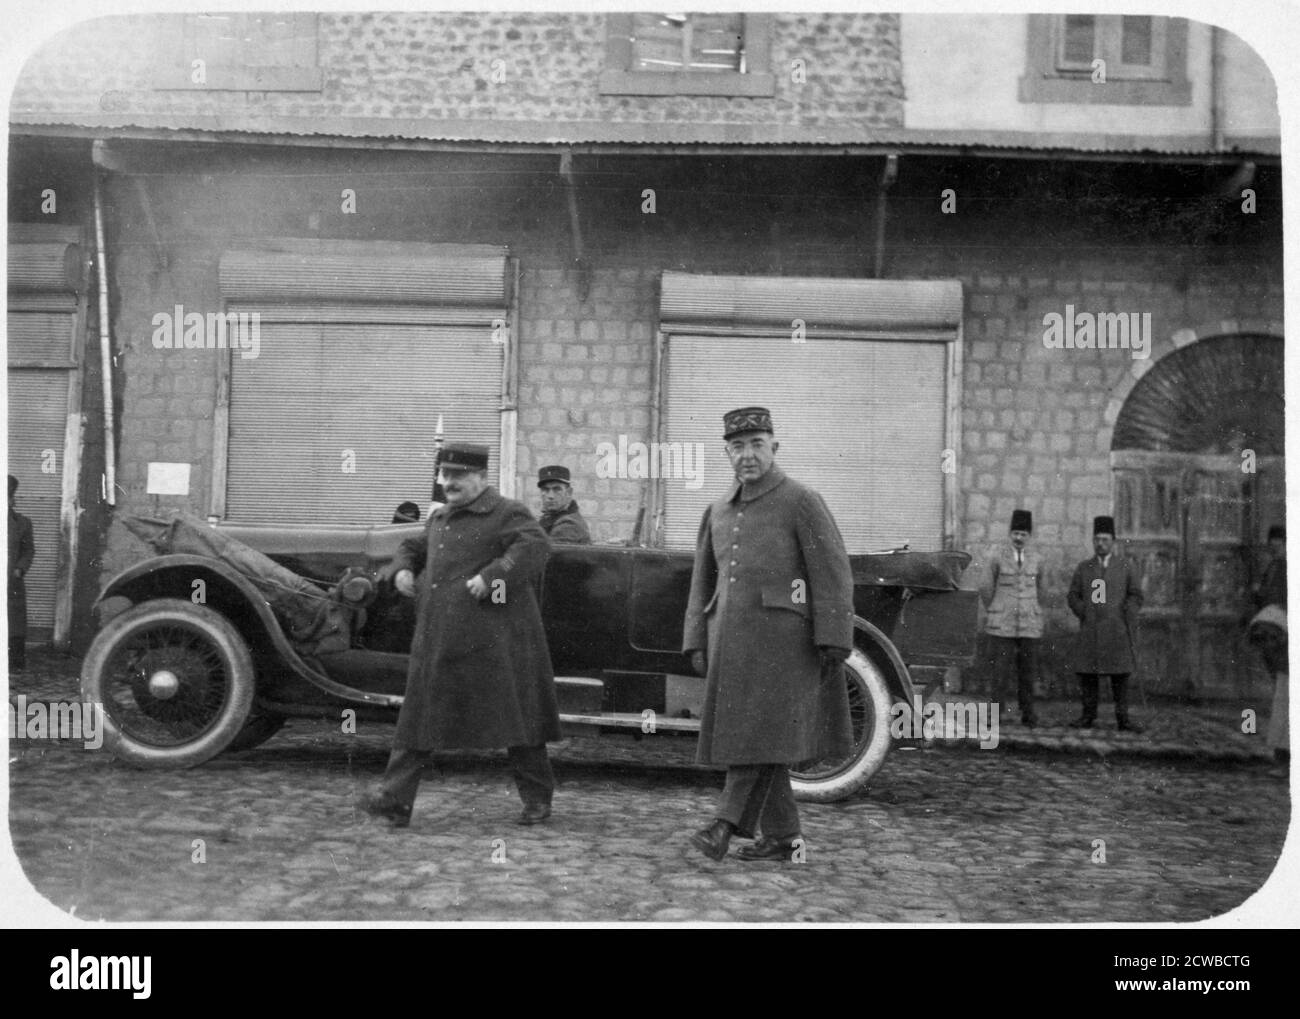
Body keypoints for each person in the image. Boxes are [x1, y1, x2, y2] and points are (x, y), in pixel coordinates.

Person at [357, 442, 561, 828]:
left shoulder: (507, 512)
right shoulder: (440, 519)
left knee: (517, 720)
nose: (449, 483)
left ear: (482, 478)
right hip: (441, 639)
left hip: (493, 641)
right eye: (445, 476)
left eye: (459, 476)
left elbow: (536, 545)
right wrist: (402, 568)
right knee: (418, 716)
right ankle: (394, 800)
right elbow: (411, 546)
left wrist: (492, 577)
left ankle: (538, 799)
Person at [682, 406, 854, 863]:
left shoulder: (801, 501)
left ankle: (723, 825)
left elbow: (832, 572)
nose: (747, 455)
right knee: (763, 738)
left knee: (756, 734)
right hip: (731, 647)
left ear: (774, 447)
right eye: (737, 447)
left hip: (786, 648)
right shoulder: (716, 510)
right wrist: (696, 638)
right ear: (727, 453)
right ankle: (783, 838)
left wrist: (834, 635)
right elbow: (704, 580)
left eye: (756, 444)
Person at [1066, 515, 1144, 733]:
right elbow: (1072, 595)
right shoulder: (1084, 568)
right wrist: (1083, 612)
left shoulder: (1126, 566)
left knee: (1120, 676)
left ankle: (1123, 719)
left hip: (1117, 629)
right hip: (1091, 629)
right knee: (1088, 675)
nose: (1100, 543)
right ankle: (1087, 716)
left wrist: (1129, 609)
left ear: (1113, 542)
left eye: (1105, 539)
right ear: (1093, 541)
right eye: (1097, 539)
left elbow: (1136, 595)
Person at [983, 509, 1043, 726]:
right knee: (1000, 672)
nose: (1019, 538)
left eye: (1023, 534)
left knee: (1027, 673)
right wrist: (997, 608)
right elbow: (986, 587)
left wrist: (1031, 607)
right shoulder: (997, 557)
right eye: (1015, 533)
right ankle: (995, 715)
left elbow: (1040, 589)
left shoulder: (1037, 559)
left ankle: (1028, 714)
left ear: (1029, 536)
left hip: (1028, 623)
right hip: (1002, 624)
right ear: (1010, 534)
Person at [1248, 524, 1288, 762]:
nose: (1275, 551)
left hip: (1285, 636)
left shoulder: (1288, 566)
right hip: (1276, 637)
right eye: (1271, 547)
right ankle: (1283, 753)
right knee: (1281, 693)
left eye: (1278, 547)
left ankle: (1285, 755)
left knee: (1286, 695)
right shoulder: (1274, 565)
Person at [8, 475, 35, 672]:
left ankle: (14, 663)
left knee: (14, 623)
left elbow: (28, 550)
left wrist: (20, 569)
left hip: (11, 581)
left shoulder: (22, 523)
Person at [537, 465, 591, 544]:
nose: (550, 496)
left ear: (569, 493)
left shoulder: (569, 524)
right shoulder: (551, 518)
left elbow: (545, 554)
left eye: (557, 489)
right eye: (545, 489)